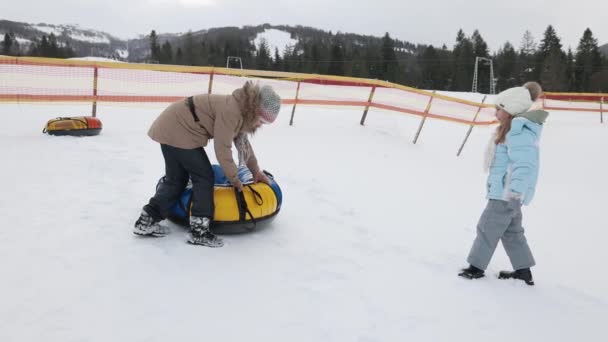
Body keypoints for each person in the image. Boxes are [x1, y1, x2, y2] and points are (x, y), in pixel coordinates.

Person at [133, 81, 281, 247]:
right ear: (255, 110)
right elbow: (222, 149)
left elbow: (243, 145)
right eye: (262, 120)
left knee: (177, 179)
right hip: (181, 130)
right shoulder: (232, 111)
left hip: (170, 126)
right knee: (204, 177)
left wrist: (256, 171)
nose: (260, 125)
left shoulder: (240, 109)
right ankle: (199, 231)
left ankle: (146, 220)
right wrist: (234, 179)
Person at [459, 83, 548, 285]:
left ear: (510, 110)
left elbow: (524, 164)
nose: (496, 112)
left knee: (487, 227)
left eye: (499, 108)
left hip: (506, 194)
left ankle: (476, 268)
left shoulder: (518, 133)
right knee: (512, 233)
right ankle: (523, 272)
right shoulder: (511, 130)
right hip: (508, 194)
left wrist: (515, 190)